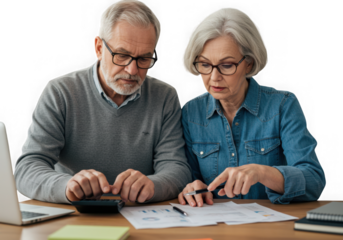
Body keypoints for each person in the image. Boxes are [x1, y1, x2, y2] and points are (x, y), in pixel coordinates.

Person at [14, 0, 192, 204]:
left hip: (139, 213)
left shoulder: (165, 96)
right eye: (122, 55)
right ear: (98, 48)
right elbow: (27, 168)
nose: (132, 70)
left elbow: (177, 169)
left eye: (144, 59)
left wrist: (154, 185)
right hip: (73, 215)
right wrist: (68, 186)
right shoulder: (60, 92)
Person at [178, 7, 326, 207]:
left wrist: (263, 173)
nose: (214, 77)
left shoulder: (282, 105)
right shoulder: (191, 112)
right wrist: (190, 188)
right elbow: (190, 179)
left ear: (249, 63)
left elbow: (314, 181)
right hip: (215, 230)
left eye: (227, 65)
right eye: (205, 64)